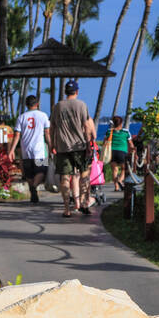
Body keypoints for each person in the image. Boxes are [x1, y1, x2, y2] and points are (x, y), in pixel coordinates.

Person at [49, 79, 96, 217]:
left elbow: (52, 128)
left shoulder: (57, 106)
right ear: (77, 91)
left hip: (62, 147)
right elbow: (87, 126)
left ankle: (66, 209)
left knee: (65, 177)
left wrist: (52, 144)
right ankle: (83, 203)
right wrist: (89, 144)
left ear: (65, 92)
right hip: (79, 145)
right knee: (84, 174)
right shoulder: (81, 105)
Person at [8, 94, 51, 204]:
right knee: (42, 170)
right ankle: (34, 187)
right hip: (40, 150)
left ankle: (33, 189)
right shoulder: (43, 116)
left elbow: (17, 135)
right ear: (37, 104)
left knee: (29, 173)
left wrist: (12, 150)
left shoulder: (21, 117)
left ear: (26, 105)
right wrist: (51, 146)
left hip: (26, 149)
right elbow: (47, 133)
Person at [108, 115, 133, 190]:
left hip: (112, 152)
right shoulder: (126, 132)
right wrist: (133, 150)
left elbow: (105, 142)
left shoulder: (109, 131)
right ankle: (120, 180)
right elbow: (131, 144)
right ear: (121, 123)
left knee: (114, 170)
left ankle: (116, 187)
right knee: (123, 169)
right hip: (122, 152)